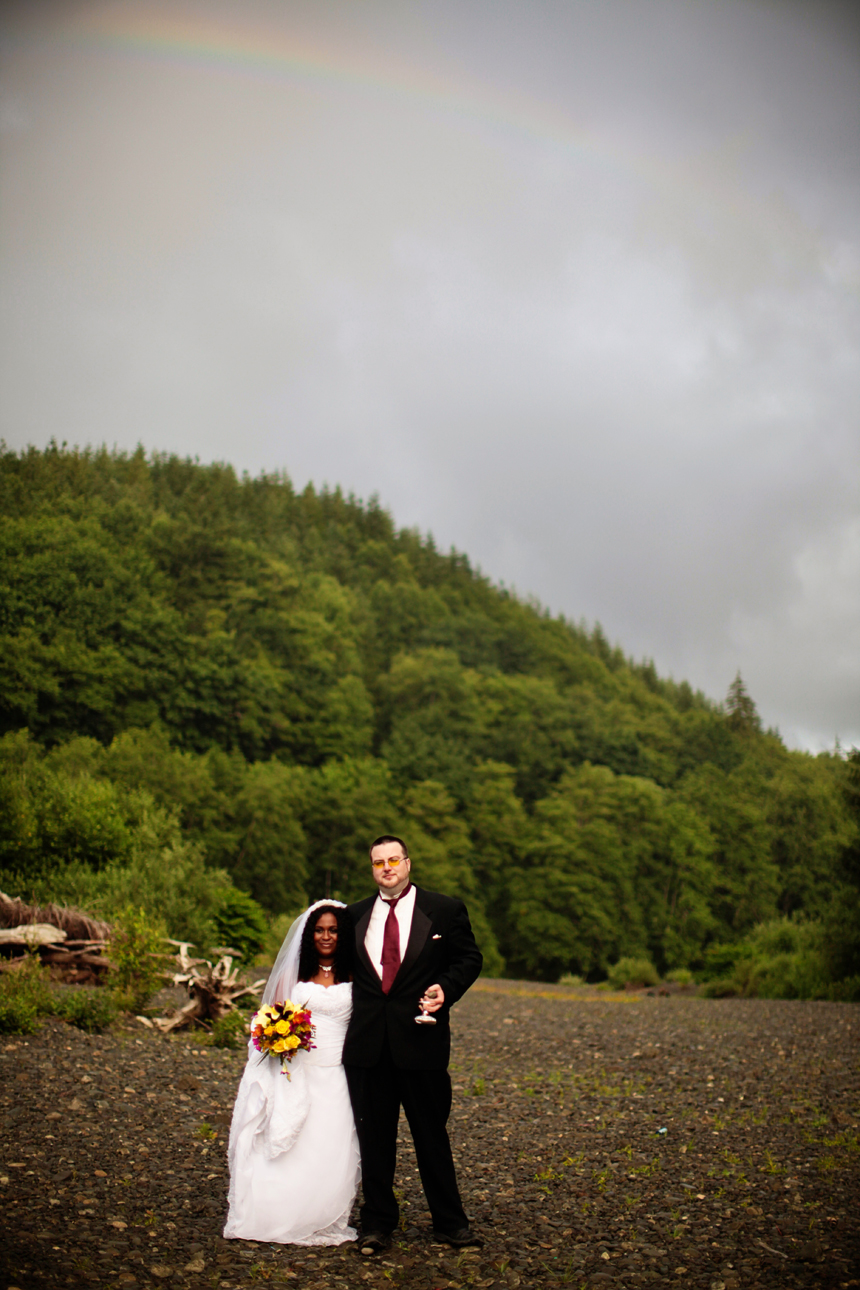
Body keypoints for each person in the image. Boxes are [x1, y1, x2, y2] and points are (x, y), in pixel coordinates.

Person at [343, 835, 483, 1256]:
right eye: (378, 862)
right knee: (374, 1140)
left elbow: (469, 959)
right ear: (372, 869)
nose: (386, 867)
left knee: (431, 1136)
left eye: (393, 860)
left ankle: (451, 1223)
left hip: (422, 1042)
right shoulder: (353, 915)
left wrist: (446, 988)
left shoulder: (444, 909)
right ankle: (377, 1223)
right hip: (368, 1046)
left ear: (408, 863)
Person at [223, 901, 360, 1246]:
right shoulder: (295, 974)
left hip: (338, 1073)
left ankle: (321, 1213)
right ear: (309, 934)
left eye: (333, 930)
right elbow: (270, 1015)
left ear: (343, 934)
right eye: (319, 930)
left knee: (331, 1144)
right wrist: (275, 1037)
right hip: (297, 1070)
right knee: (292, 1143)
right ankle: (278, 1211)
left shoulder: (355, 975)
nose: (326, 936)